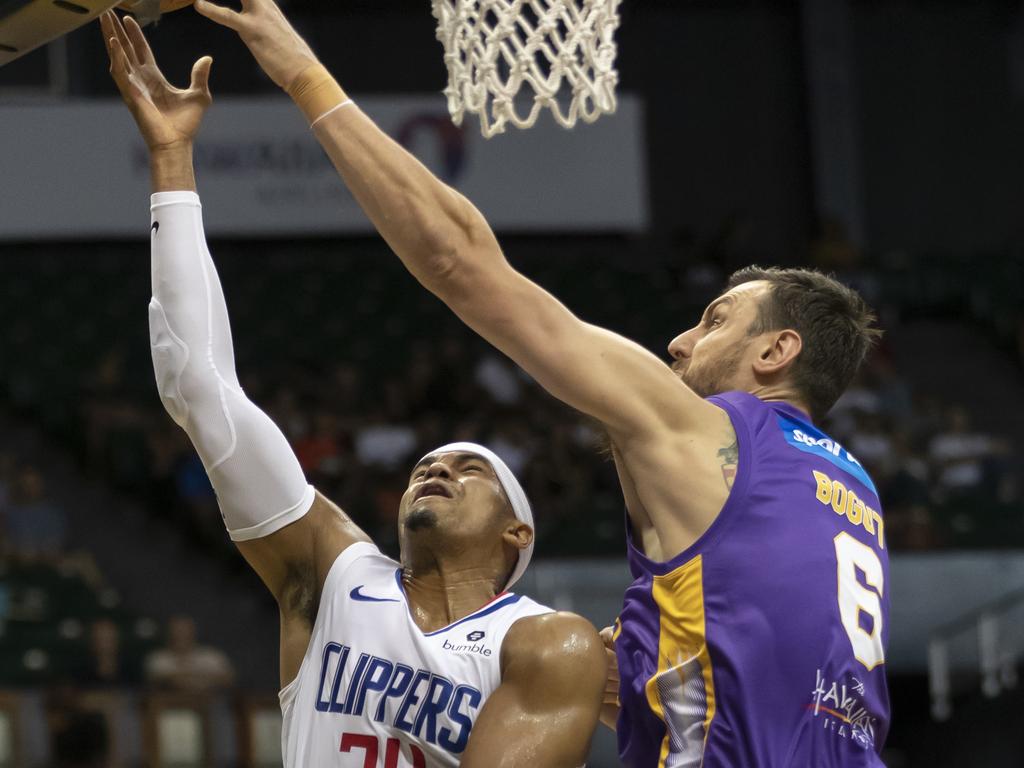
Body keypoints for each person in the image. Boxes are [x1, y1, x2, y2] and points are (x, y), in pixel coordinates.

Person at [186, 1, 892, 764]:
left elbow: (462, 265)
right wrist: (641, 664)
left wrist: (301, 72)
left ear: (776, 351)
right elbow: (769, 645)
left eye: (715, 321)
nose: (681, 342)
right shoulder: (853, 492)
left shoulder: (705, 431)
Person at [99, 11, 605, 767]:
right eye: (430, 463)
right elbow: (199, 387)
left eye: (473, 470)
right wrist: (171, 158)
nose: (437, 468)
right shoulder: (334, 573)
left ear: (517, 537)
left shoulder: (543, 639)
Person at [145, 615, 235, 693]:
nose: (181, 635)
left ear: (193, 632)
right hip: (169, 705)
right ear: (169, 633)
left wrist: (182, 677)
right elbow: (155, 679)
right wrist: (202, 678)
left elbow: (229, 678)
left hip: (210, 704)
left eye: (185, 631)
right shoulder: (158, 658)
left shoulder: (211, 655)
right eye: (176, 631)